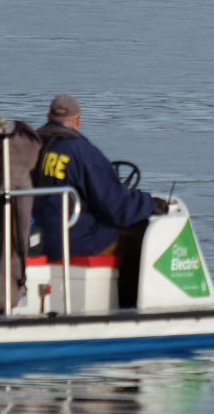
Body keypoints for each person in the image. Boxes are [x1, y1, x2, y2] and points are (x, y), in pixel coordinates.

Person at [32, 94, 166, 307]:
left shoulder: (31, 146)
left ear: (49, 116)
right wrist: (149, 203)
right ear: (78, 120)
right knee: (135, 239)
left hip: (32, 237)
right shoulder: (80, 151)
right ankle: (128, 308)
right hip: (71, 240)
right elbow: (119, 208)